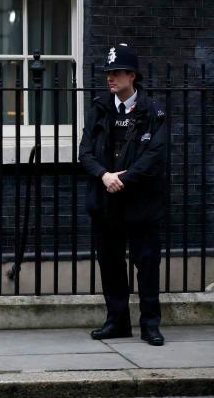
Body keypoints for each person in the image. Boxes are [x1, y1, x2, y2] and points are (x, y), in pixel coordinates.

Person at [79, 43, 168, 346]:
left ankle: (150, 325)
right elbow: (85, 152)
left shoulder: (153, 112)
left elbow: (155, 156)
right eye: (108, 72)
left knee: (147, 266)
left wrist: (124, 179)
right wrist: (105, 176)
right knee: (111, 263)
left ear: (132, 75)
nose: (110, 78)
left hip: (141, 204)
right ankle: (117, 321)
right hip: (107, 203)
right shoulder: (99, 108)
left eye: (115, 72)